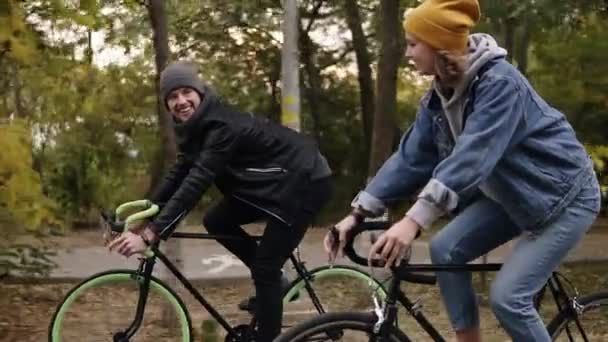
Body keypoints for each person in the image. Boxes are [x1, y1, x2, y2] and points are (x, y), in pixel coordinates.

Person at [326, 0, 601, 341]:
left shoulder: (500, 84)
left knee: (509, 299)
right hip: (512, 196)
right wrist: (357, 214)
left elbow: (472, 158)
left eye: (413, 43)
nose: (407, 52)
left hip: (564, 198)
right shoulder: (440, 94)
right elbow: (411, 158)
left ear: (439, 46)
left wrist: (413, 221)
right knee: (445, 249)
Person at [109, 61, 333, 341]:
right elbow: (180, 172)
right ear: (166, 104)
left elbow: (198, 180)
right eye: (172, 97)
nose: (180, 101)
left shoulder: (221, 126)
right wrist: (144, 214)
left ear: (200, 93)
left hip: (304, 181)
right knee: (216, 220)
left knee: (266, 267)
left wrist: (153, 232)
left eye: (185, 93)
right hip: (272, 185)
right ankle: (275, 286)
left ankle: (270, 332)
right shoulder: (196, 130)